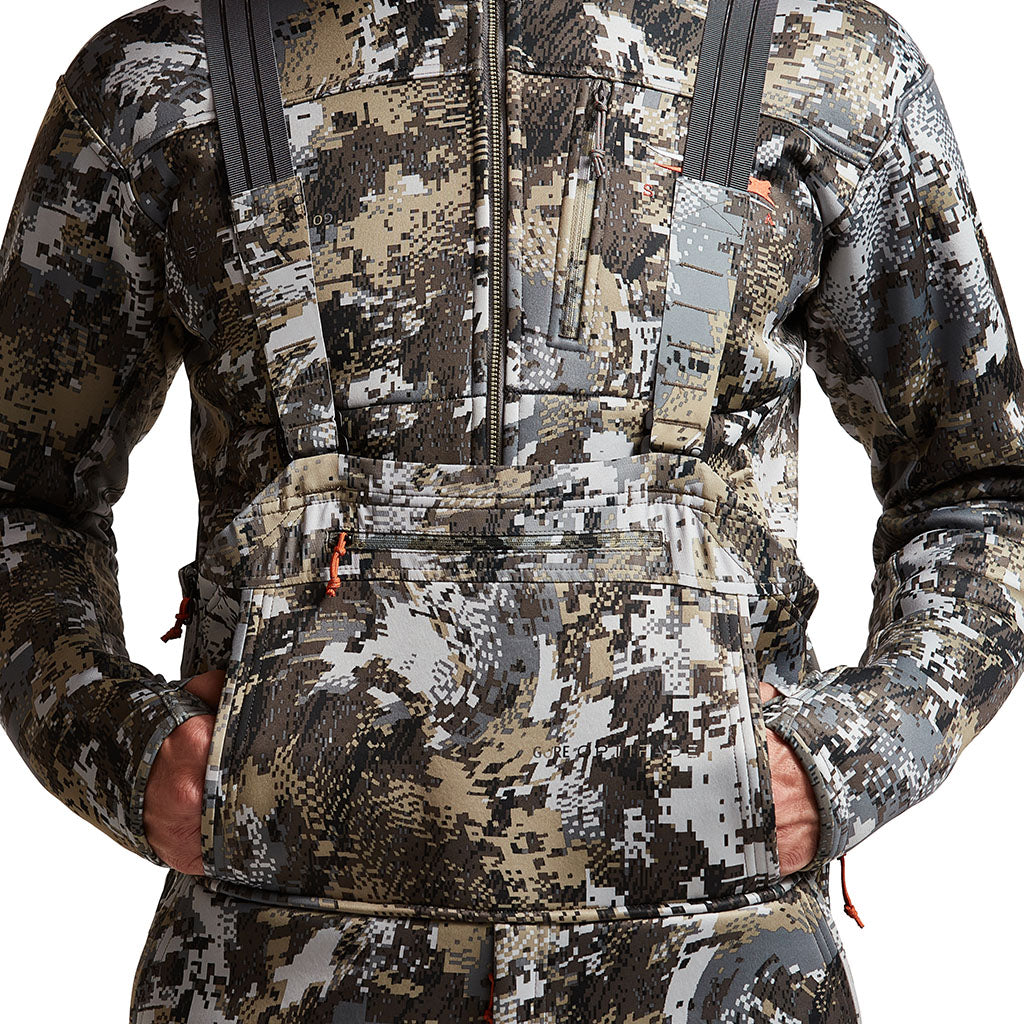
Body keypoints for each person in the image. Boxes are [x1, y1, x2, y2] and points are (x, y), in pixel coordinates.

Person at [1, 0, 1021, 1021]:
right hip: (271, 970)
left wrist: (841, 759)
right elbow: (22, 498)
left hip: (718, 973)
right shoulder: (162, 81)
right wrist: (124, 749)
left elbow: (980, 488)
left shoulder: (829, 66)